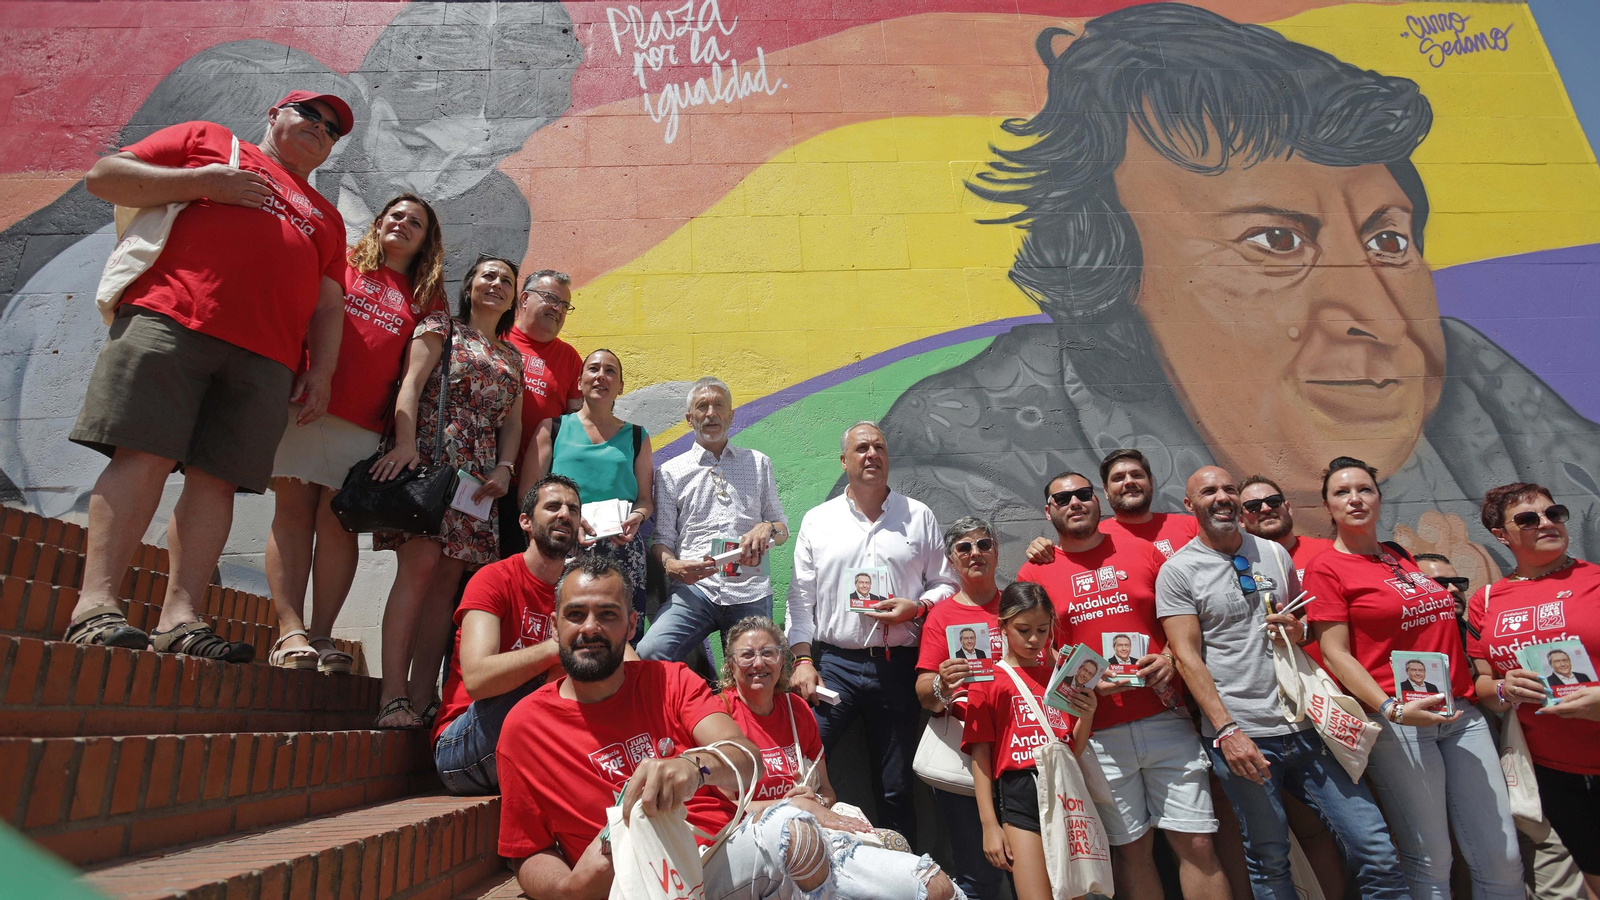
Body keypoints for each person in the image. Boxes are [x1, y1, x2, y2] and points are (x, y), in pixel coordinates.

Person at [875, 2, 1600, 595]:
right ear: (1115, 277)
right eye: (1277, 243)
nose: (1380, 317)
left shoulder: (1480, 388)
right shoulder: (968, 446)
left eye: (1387, 242)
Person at [63, 91, 353, 662]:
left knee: (217, 482)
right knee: (140, 455)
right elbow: (105, 176)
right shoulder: (210, 143)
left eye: (331, 128)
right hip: (172, 320)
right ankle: (95, 606)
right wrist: (205, 184)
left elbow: (328, 303)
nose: (318, 127)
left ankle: (181, 617)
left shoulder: (328, 216)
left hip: (266, 360)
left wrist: (320, 371)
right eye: (308, 114)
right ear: (273, 114)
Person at [494, 555, 961, 900]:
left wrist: (692, 767)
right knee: (792, 830)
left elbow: (742, 754)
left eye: (608, 615)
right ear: (554, 627)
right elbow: (525, 850)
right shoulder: (524, 728)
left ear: (633, 625)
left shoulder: (670, 680)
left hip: (719, 856)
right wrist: (569, 888)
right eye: (575, 614)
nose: (590, 627)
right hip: (635, 884)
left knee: (936, 889)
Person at [1157, 465, 1409, 900]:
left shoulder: (1273, 553)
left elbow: (1307, 626)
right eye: (1209, 491)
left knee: (1375, 848)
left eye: (1229, 489)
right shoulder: (1178, 572)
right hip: (1245, 735)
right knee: (1269, 859)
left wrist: (1299, 629)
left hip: (1309, 727)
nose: (1221, 497)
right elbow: (1187, 657)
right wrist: (1228, 730)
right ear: (1189, 504)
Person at [1304, 456, 1522, 900]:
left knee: (1501, 854)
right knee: (1431, 860)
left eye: (1364, 489)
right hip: (1398, 723)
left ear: (1380, 498)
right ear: (1328, 507)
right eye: (1341, 492)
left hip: (1461, 714)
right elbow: (1335, 652)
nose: (1355, 498)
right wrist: (1391, 708)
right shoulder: (1327, 568)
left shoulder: (1400, 556)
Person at [1017, 471, 1227, 900]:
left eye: (1082, 494)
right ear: (1049, 512)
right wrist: (1082, 678)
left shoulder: (1145, 552)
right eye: (1063, 499)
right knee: (1132, 851)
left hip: (1166, 718)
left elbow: (1185, 622)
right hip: (1097, 733)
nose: (1074, 502)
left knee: (1199, 842)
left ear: (1097, 502)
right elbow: (1038, 651)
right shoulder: (1034, 571)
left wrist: (1169, 657)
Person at [264, 193, 445, 673]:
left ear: (428, 240)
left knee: (338, 526)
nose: (403, 225)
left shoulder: (427, 294)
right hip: (307, 403)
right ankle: (289, 632)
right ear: (380, 221)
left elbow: (414, 377)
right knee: (292, 515)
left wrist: (404, 439)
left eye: (416, 223)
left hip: (366, 425)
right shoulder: (342, 264)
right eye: (396, 216)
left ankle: (322, 636)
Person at [369, 256, 524, 728]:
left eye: (506, 281)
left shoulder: (511, 356)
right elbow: (410, 385)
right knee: (417, 571)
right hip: (432, 462)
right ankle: (392, 696)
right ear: (470, 285)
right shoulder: (441, 326)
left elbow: (512, 423)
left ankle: (422, 700)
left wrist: (505, 467)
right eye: (488, 276)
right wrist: (404, 444)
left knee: (445, 588)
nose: (496, 284)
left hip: (477, 479)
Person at [787, 420, 958, 846]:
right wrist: (803, 660)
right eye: (861, 448)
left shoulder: (917, 516)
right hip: (834, 667)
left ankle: (904, 876)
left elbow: (947, 583)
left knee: (897, 786)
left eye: (879, 447)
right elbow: (799, 598)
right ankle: (810, 862)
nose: (871, 455)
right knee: (803, 766)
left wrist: (916, 608)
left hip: (898, 667)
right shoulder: (818, 521)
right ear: (844, 460)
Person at [1470, 482, 1600, 895]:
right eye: (1528, 518)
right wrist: (1505, 688)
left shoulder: (1595, 581)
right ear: (1501, 536)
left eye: (1553, 513)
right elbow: (1484, 686)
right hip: (1552, 771)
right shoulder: (1487, 600)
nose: (1546, 523)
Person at [432, 474, 580, 795]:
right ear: (525, 522)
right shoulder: (494, 579)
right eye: (553, 506)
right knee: (563, 669)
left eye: (573, 509)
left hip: (532, 739)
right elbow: (477, 678)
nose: (565, 514)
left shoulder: (578, 591)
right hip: (463, 747)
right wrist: (557, 650)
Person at [963, 581, 1096, 900]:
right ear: (1003, 627)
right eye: (1023, 629)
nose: (1034, 639)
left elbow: (1071, 750)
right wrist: (989, 825)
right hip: (1018, 790)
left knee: (1075, 892)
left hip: (1065, 789)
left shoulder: (1061, 677)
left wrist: (1088, 713)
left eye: (1043, 629)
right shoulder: (989, 681)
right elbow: (981, 756)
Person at [641, 376, 789, 661]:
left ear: (731, 415)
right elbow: (661, 539)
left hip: (750, 590)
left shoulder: (758, 463)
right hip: (696, 591)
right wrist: (671, 565)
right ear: (689, 418)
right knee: (649, 652)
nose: (711, 413)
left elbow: (782, 531)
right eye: (702, 407)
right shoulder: (671, 472)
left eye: (718, 405)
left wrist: (768, 527)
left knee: (760, 667)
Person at [706, 616, 885, 839]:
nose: (759, 663)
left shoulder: (796, 709)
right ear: (731, 665)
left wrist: (816, 801)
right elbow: (725, 808)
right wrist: (791, 806)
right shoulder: (717, 714)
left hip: (807, 827)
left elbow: (827, 792)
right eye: (747, 655)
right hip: (747, 838)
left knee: (895, 845)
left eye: (768, 653)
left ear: (782, 661)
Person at [523, 348, 654, 632]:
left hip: (622, 550)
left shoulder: (636, 436)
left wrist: (638, 517)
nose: (601, 376)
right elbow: (528, 497)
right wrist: (566, 518)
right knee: (563, 634)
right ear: (580, 381)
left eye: (610, 371)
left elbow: (645, 500)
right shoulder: (552, 429)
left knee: (619, 635)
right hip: (563, 543)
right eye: (593, 369)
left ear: (620, 387)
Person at [916, 516, 1010, 900]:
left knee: (1036, 864)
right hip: (965, 761)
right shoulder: (942, 616)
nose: (976, 554)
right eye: (965, 548)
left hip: (1022, 754)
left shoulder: (1019, 604)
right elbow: (924, 693)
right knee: (979, 872)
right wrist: (942, 683)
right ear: (952, 561)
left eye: (984, 544)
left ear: (996, 552)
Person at [498, 269, 582, 557]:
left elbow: (577, 425)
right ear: (524, 298)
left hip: (534, 494)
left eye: (565, 305)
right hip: (482, 479)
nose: (558, 309)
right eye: (550, 298)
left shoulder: (569, 358)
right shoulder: (497, 337)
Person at [1023, 450, 1198, 563]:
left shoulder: (1191, 527)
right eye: (1118, 478)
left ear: (1151, 483)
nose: (1129, 482)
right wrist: (1041, 549)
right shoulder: (1093, 538)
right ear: (1105, 491)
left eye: (1137, 475)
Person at [1239, 476, 1334, 583]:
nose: (1266, 508)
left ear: (1288, 508)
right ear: (1241, 520)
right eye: (1253, 506)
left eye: (1273, 501)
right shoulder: (1238, 565)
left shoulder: (1330, 551)